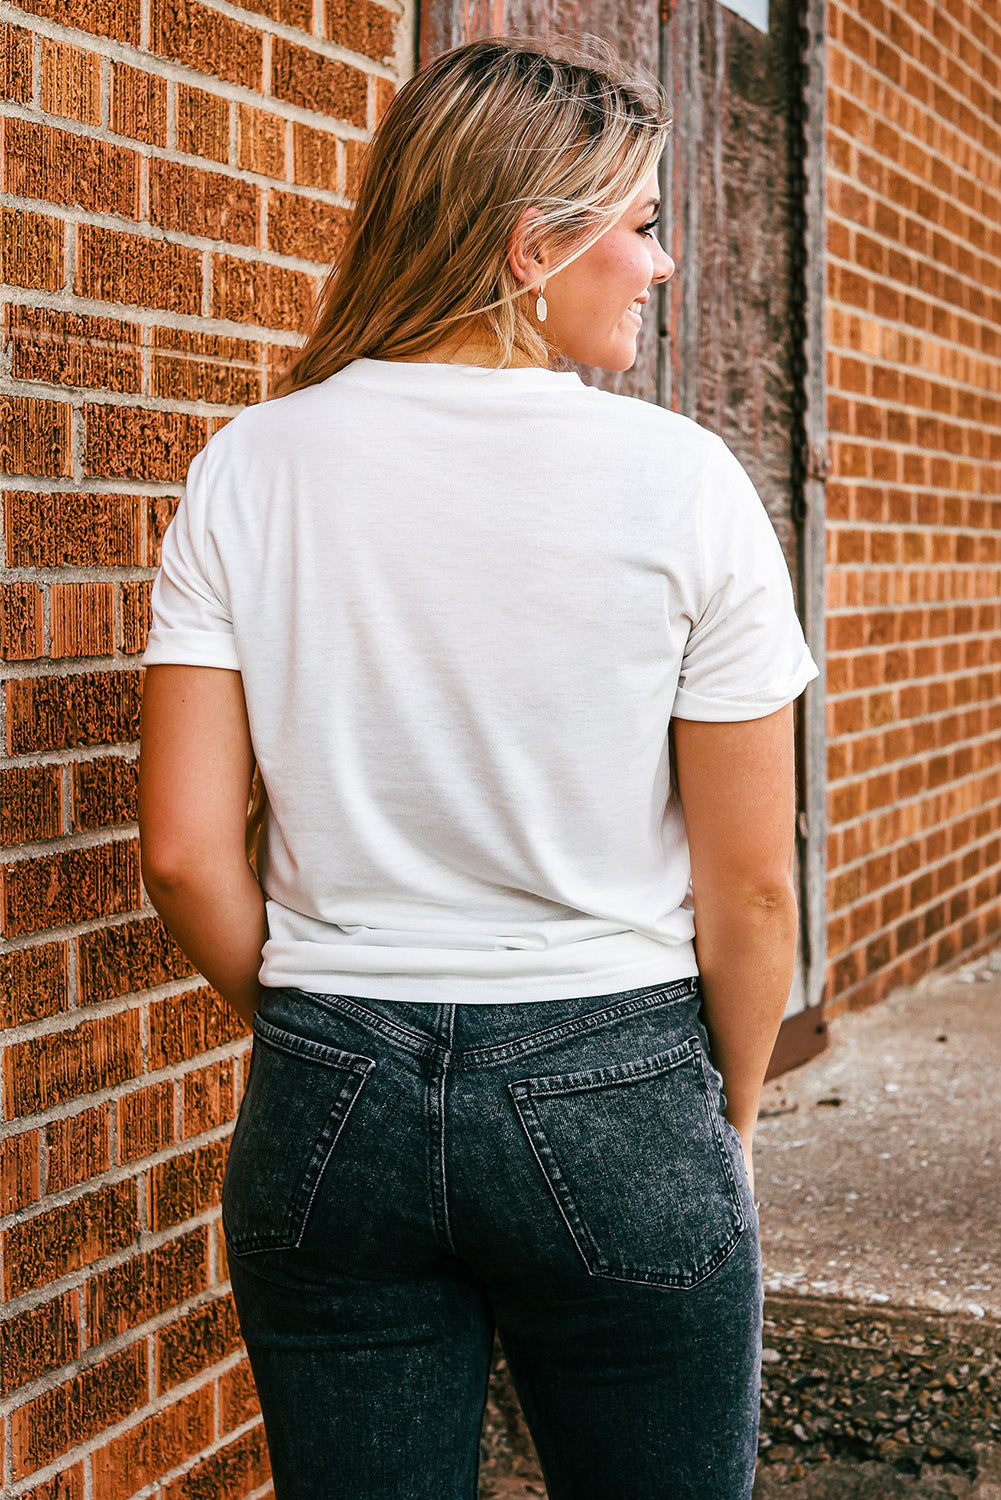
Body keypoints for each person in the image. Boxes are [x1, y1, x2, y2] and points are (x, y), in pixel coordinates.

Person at [138, 35, 818, 1500]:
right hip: (615, 1078)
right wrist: (728, 1126)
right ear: (532, 246)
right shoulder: (680, 482)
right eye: (637, 222)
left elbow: (187, 853)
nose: (658, 262)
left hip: (329, 1090)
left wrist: (338, 1031)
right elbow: (752, 886)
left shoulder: (246, 469)